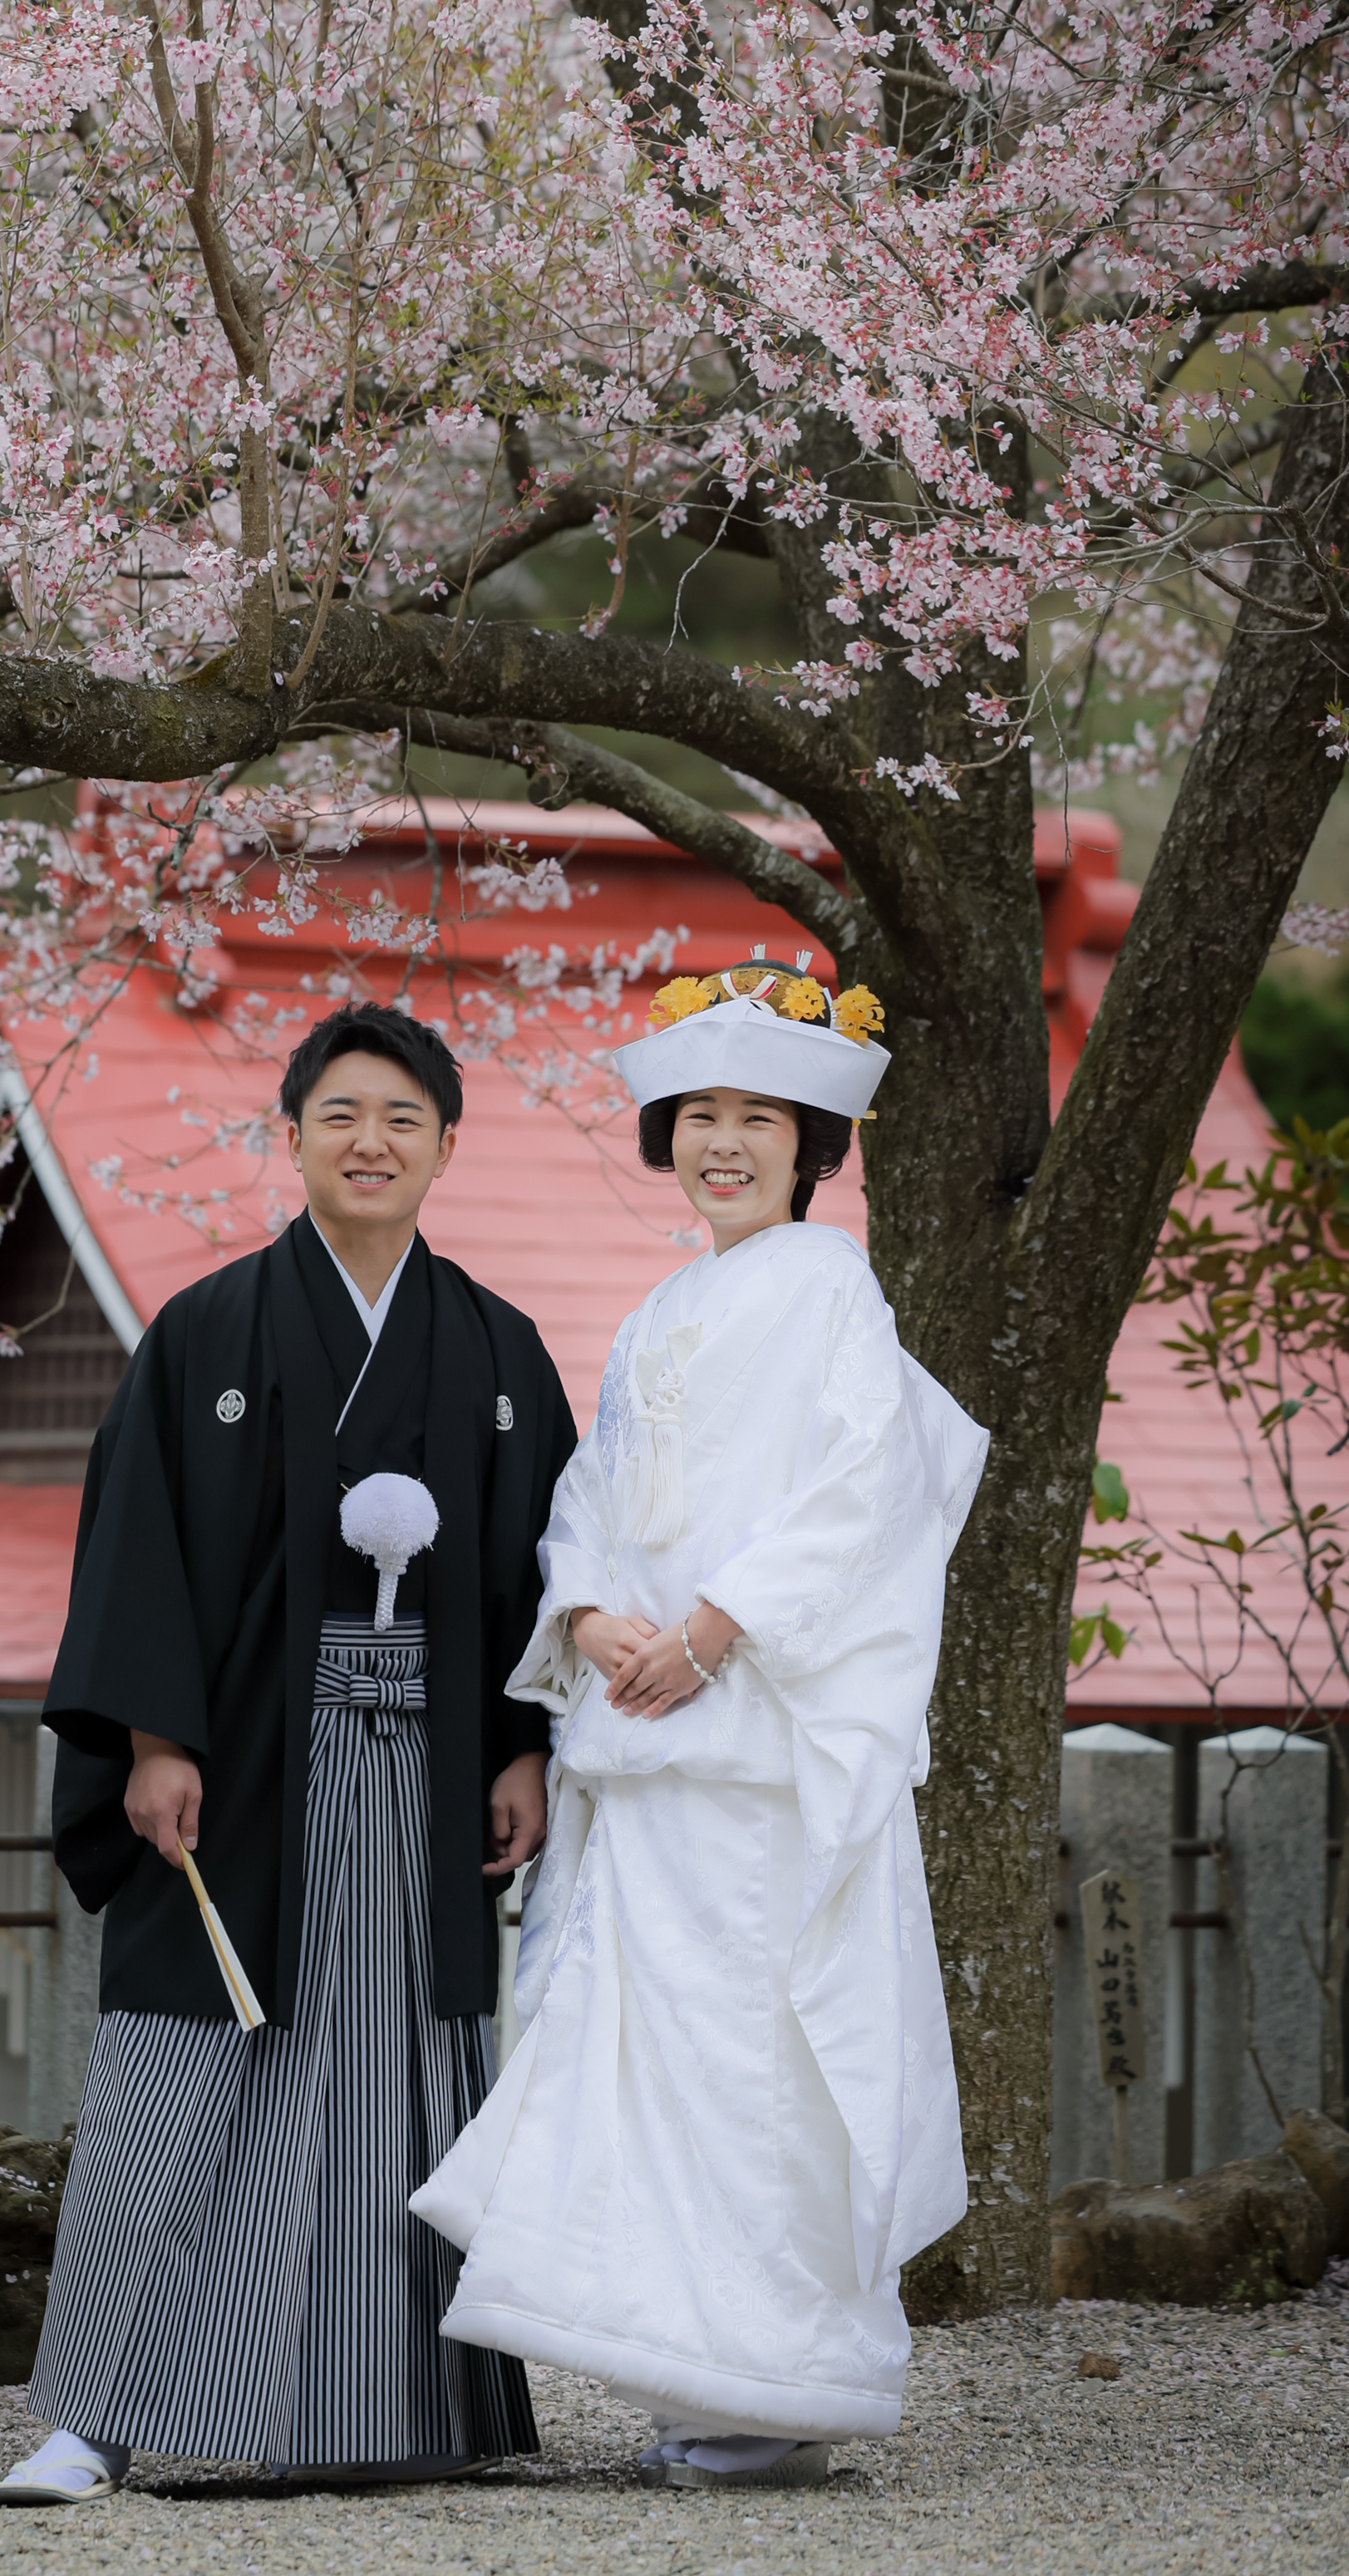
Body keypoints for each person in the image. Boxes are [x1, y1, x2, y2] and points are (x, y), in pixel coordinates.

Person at [0, 1001, 577, 2505]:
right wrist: (154, 1738)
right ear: (292, 1134)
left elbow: (531, 1572)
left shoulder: (499, 1349)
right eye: (340, 1114)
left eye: (401, 1118)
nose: (369, 1141)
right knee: (181, 2062)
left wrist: (522, 1749)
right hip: (244, 1757)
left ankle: (384, 2407)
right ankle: (91, 2421)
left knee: (400, 2071)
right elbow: (139, 1550)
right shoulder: (209, 1331)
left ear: (448, 1143)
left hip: (430, 1770)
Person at [412, 953, 987, 2492]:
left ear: (813, 1150)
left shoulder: (828, 1285)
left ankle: (779, 2374)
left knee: (761, 2059)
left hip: (755, 1747)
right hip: (651, 1730)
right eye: (701, 1115)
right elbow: (592, 1493)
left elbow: (859, 1486)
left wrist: (723, 1625)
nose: (725, 1142)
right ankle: (695, 2369)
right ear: (667, 1134)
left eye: (762, 1119)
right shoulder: (663, 1306)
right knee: (657, 2062)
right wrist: (589, 1614)